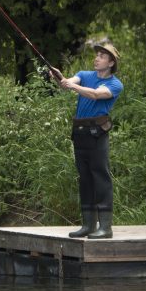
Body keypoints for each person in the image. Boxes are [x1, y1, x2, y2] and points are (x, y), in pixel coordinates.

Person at [50, 43, 123, 239]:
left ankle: (105, 227)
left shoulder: (115, 84)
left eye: (102, 56)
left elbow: (95, 94)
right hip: (80, 133)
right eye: (96, 55)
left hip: (97, 134)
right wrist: (60, 78)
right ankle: (88, 225)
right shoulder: (84, 74)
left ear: (111, 63)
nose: (96, 58)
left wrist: (72, 85)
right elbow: (68, 84)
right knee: (85, 179)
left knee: (101, 178)